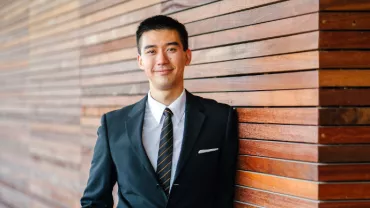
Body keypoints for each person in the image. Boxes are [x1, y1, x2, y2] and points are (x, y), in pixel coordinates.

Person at [80, 15, 238, 208]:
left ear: (187, 55)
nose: (162, 60)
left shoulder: (221, 119)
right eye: (151, 51)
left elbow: (225, 198)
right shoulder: (113, 125)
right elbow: (95, 201)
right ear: (140, 61)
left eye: (171, 49)